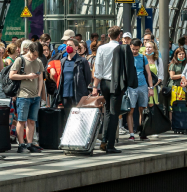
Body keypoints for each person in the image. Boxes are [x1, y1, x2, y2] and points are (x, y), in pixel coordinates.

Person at [91, 26, 131, 154]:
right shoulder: (122, 48)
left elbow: (98, 69)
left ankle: (104, 141)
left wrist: (95, 87)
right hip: (116, 84)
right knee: (114, 114)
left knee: (107, 111)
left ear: (108, 35)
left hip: (104, 84)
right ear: (119, 36)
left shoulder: (101, 48)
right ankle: (110, 145)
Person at [10, 40, 45, 153]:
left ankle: (30, 143)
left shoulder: (38, 61)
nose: (35, 57)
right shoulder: (20, 60)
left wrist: (39, 93)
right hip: (23, 95)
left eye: (37, 55)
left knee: (32, 121)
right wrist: (26, 76)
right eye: (34, 55)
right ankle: (21, 144)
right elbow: (12, 75)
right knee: (21, 120)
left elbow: (40, 78)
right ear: (30, 50)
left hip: (35, 96)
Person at [57, 38, 93, 128]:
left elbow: (88, 78)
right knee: (67, 117)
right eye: (67, 45)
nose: (68, 47)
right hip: (65, 94)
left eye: (70, 45)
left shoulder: (82, 61)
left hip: (77, 94)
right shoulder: (63, 61)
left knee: (77, 117)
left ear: (76, 47)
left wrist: (81, 88)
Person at [124, 39, 154, 141]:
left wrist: (151, 88)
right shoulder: (127, 58)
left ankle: (142, 131)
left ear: (140, 47)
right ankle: (131, 133)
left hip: (143, 85)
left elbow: (148, 73)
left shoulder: (143, 58)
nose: (134, 51)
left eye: (136, 49)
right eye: (133, 49)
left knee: (142, 109)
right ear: (130, 46)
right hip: (131, 86)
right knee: (131, 110)